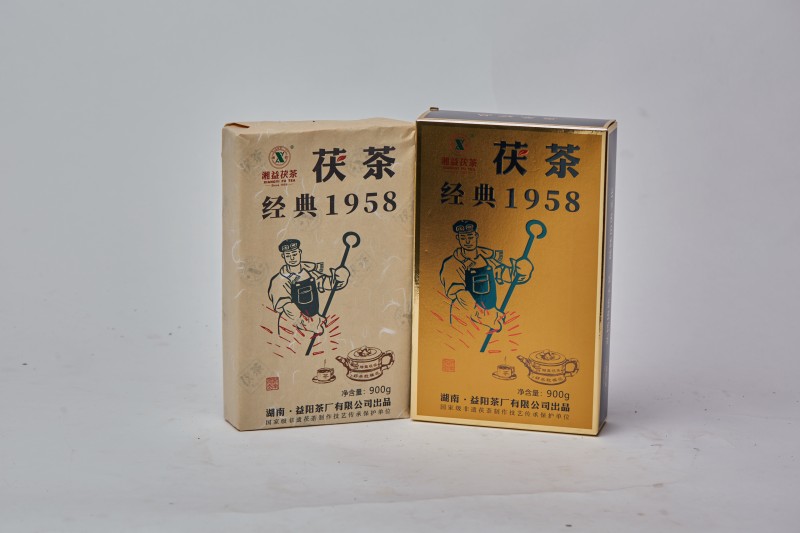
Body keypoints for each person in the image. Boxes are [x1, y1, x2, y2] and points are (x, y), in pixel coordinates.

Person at [439, 220, 533, 332]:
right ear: (458, 239)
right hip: (464, 319)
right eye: (463, 238)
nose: (467, 241)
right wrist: (483, 315)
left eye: (470, 237)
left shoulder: (486, 259)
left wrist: (521, 271)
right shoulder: (452, 264)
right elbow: (460, 293)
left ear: (476, 236)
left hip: (490, 316)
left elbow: (506, 274)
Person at [268, 239, 350, 334]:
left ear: (300, 252)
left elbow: (329, 283)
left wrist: (341, 277)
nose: (292, 258)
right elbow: (288, 307)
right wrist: (310, 323)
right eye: (288, 255)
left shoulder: (309, 273)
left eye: (294, 254)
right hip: (291, 327)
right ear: (283, 256)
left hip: (313, 324)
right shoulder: (278, 281)